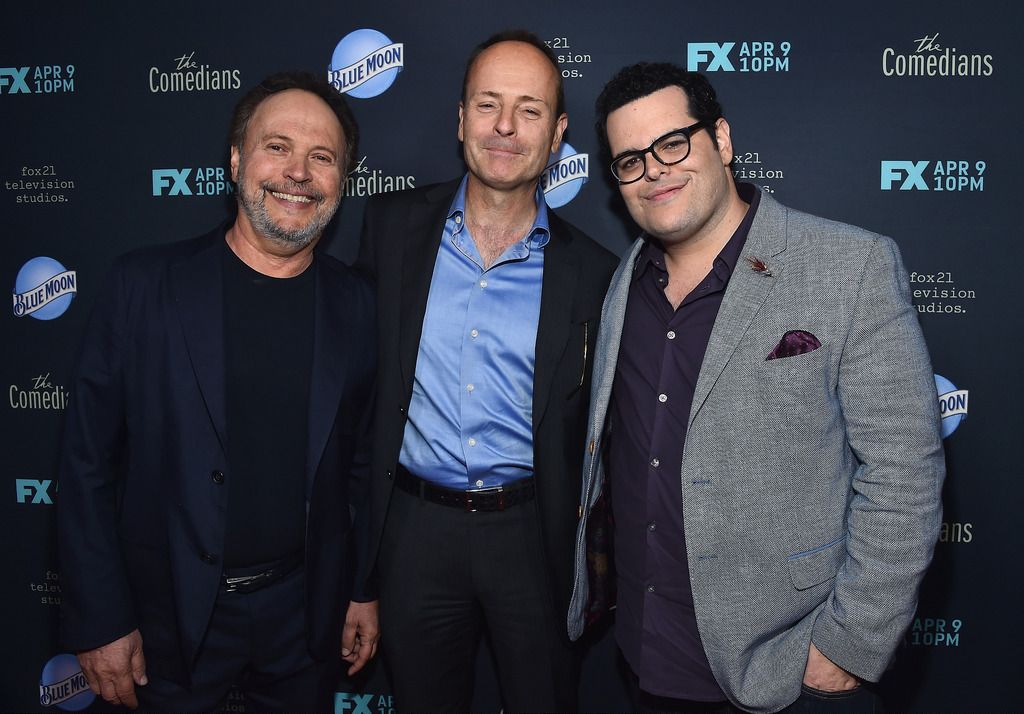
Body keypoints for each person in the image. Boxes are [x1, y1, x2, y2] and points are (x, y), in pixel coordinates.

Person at [568, 63, 945, 713]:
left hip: (784, 672)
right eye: (629, 160)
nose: (654, 169)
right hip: (644, 658)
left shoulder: (850, 268)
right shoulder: (620, 285)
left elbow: (904, 471)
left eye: (672, 143)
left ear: (721, 139)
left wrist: (849, 645)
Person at [57, 71, 378, 713]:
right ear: (236, 160)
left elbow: (363, 467)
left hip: (303, 623)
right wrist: (101, 619)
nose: (298, 172)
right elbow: (85, 467)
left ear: (343, 180)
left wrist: (360, 588)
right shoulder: (142, 288)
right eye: (277, 147)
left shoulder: (359, 305)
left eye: (322, 157)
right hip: (164, 624)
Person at [357, 29, 617, 712]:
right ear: (461, 118)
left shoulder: (594, 272)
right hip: (413, 532)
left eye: (529, 110)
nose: (506, 126)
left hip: (532, 537)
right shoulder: (388, 229)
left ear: (557, 133)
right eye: (488, 105)